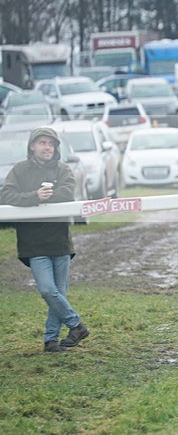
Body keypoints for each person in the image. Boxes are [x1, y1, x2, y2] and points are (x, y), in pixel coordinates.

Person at [0, 127, 90, 353]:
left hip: (60, 241)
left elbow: (68, 193)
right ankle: (76, 325)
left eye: (51, 144)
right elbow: (7, 196)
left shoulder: (63, 170)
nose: (47, 147)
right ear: (32, 146)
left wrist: (41, 199)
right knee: (48, 290)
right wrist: (34, 197)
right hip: (33, 243)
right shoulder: (19, 170)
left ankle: (51, 340)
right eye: (42, 143)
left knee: (58, 293)